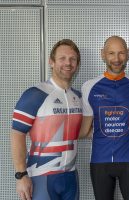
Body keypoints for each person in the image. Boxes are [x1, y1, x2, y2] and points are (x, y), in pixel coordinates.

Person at [79, 36, 129, 200]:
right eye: (111, 53)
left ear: (128, 54)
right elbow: (84, 129)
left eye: (121, 53)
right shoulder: (89, 86)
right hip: (100, 161)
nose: (117, 59)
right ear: (102, 54)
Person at [11, 39, 82, 200]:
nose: (68, 63)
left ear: (77, 64)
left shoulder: (78, 97)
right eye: (62, 58)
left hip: (70, 177)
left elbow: (82, 132)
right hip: (41, 177)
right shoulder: (35, 94)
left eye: (72, 59)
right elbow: (17, 134)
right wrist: (21, 175)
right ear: (51, 62)